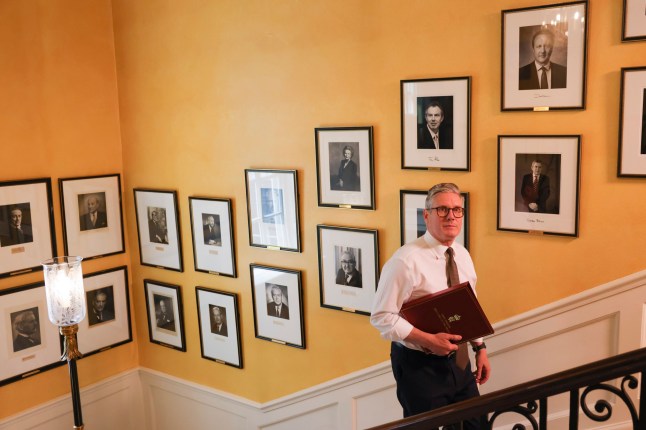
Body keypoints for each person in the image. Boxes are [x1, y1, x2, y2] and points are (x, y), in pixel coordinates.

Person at [370, 183, 490, 425]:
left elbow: (469, 307)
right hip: (419, 367)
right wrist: (429, 341)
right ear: (427, 215)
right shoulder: (405, 261)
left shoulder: (462, 254)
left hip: (461, 360)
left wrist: (481, 348)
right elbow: (382, 316)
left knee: (475, 424)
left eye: (457, 210)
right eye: (442, 209)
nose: (451, 216)